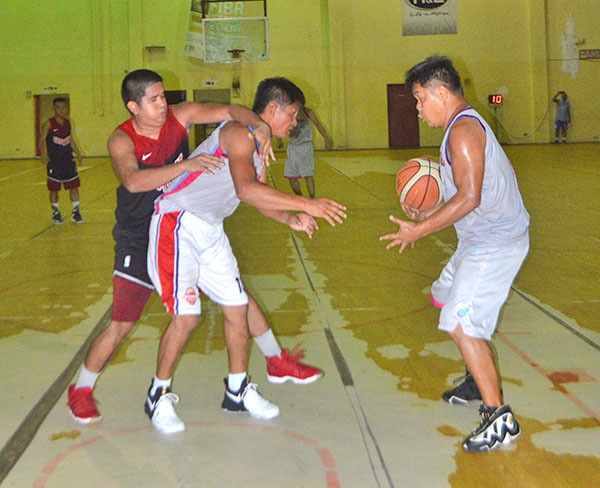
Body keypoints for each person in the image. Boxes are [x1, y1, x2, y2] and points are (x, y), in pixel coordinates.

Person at [67, 70, 322, 425]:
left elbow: (233, 111)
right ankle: (82, 389)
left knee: (238, 300)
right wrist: (189, 165)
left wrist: (259, 127)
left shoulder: (182, 116)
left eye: (163, 96)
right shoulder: (121, 139)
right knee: (123, 323)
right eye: (154, 99)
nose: (163, 104)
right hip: (144, 231)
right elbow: (134, 181)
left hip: (195, 221)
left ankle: (264, 368)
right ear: (133, 107)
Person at [144, 77, 347, 433]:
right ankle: (157, 396)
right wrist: (306, 203)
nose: (295, 122)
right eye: (293, 114)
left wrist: (290, 217)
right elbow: (246, 189)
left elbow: (258, 196)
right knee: (187, 317)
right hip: (177, 223)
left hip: (210, 229)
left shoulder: (260, 147)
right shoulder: (238, 133)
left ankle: (236, 391)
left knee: (238, 308)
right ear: (273, 109)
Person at [380, 56, 530, 453]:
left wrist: (420, 229)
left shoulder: (462, 131)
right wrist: (425, 214)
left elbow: (469, 197)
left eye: (419, 98)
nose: (417, 108)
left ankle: (499, 418)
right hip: (477, 239)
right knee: (443, 296)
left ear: (441, 92)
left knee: (461, 322)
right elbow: (463, 195)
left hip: (495, 244)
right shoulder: (458, 128)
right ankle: (475, 377)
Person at [39, 97, 84, 224]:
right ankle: (56, 213)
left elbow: (70, 139)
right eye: (58, 107)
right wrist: (43, 153)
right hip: (54, 161)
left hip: (68, 160)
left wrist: (78, 153)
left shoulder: (68, 123)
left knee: (74, 186)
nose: (61, 110)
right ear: (54, 109)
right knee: (54, 189)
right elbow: (42, 139)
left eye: (64, 107)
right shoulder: (49, 123)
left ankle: (76, 212)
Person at [278, 105, 332, 198]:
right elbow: (280, 125)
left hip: (306, 147)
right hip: (293, 147)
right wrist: (279, 140)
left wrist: (326, 138)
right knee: (291, 177)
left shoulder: (308, 112)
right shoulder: (287, 112)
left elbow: (318, 124)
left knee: (308, 175)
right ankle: (300, 197)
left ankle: (312, 198)